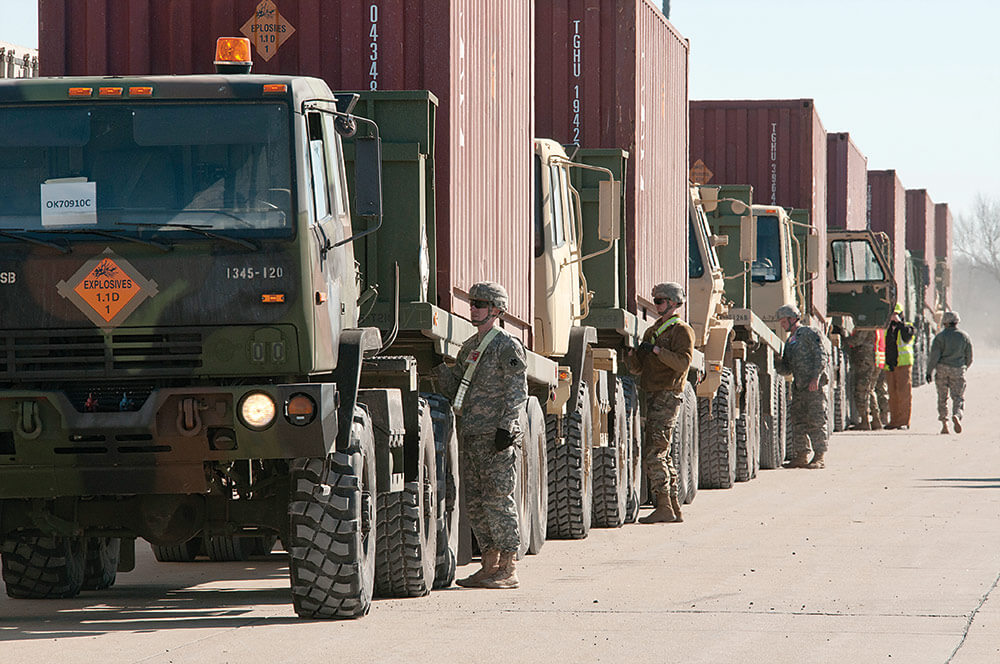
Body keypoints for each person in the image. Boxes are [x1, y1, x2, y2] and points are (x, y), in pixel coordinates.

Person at [434, 281, 527, 589]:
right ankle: (489, 564)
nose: (473, 308)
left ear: (497, 310)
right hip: (472, 434)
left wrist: (507, 427)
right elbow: (455, 389)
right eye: (472, 303)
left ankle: (508, 567)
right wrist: (437, 366)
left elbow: (517, 391)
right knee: (475, 501)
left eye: (480, 304)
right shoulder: (469, 348)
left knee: (498, 500)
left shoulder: (507, 345)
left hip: (496, 437)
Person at [625, 282, 695, 524]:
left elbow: (683, 363)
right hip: (653, 394)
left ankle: (664, 506)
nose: (656, 306)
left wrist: (656, 351)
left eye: (660, 301)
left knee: (655, 454)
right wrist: (634, 356)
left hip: (668, 395)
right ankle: (673, 507)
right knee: (662, 453)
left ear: (674, 303)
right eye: (655, 301)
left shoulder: (680, 330)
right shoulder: (653, 330)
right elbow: (638, 368)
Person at [775, 303, 829, 469]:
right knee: (798, 420)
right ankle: (801, 455)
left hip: (814, 387)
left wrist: (815, 378)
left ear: (793, 319)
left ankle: (819, 456)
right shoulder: (790, 341)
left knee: (816, 420)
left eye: (784, 321)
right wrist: (775, 361)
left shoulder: (808, 333)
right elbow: (787, 368)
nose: (782, 325)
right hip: (799, 388)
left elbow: (821, 356)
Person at [926, 311, 973, 434]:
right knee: (958, 397)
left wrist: (929, 372)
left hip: (942, 369)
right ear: (957, 322)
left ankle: (944, 424)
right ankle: (957, 415)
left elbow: (934, 357)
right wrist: (963, 367)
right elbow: (969, 357)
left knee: (942, 398)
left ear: (945, 323)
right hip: (958, 369)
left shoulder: (940, 337)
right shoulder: (964, 336)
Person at [885, 304, 915, 430]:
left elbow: (907, 336)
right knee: (892, 394)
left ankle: (903, 421)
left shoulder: (907, 327)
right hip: (890, 365)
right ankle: (894, 420)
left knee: (903, 394)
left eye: (896, 314)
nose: (893, 317)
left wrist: (899, 323)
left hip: (903, 364)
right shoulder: (886, 328)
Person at [845, 329, 881, 430]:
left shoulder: (865, 326)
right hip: (869, 360)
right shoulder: (873, 325)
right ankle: (876, 419)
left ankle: (865, 421)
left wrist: (844, 339)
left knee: (861, 391)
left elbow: (857, 340)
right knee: (869, 390)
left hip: (864, 360)